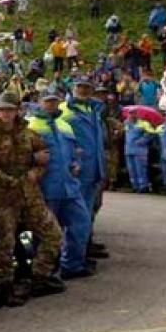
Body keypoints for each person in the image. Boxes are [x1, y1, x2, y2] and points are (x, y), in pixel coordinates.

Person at [0, 93, 64, 305]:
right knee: (5, 243)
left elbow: (43, 154)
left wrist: (36, 171)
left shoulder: (28, 133)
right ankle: (5, 285)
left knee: (53, 233)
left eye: (10, 110)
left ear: (17, 111)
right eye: (2, 110)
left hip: (31, 195)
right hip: (4, 198)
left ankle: (38, 276)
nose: (6, 114)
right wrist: (15, 179)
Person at [27, 91, 93, 280]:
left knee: (81, 223)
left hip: (69, 186)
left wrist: (75, 163)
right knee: (45, 232)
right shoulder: (31, 125)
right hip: (46, 188)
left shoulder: (65, 125)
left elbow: (72, 153)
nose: (51, 105)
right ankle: (44, 271)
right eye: (47, 101)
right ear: (39, 103)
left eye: (54, 101)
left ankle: (72, 264)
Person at [61, 79, 110, 260]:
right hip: (78, 171)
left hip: (94, 170)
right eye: (80, 87)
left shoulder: (94, 110)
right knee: (76, 216)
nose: (83, 91)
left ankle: (83, 249)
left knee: (89, 212)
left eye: (87, 87)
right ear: (73, 89)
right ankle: (71, 258)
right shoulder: (65, 110)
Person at [124, 110, 156, 193]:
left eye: (133, 113)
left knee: (140, 169)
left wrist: (142, 140)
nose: (131, 115)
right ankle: (134, 186)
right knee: (131, 169)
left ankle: (143, 186)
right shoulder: (126, 123)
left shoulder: (144, 123)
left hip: (140, 150)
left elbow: (151, 133)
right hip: (129, 149)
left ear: (137, 114)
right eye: (130, 114)